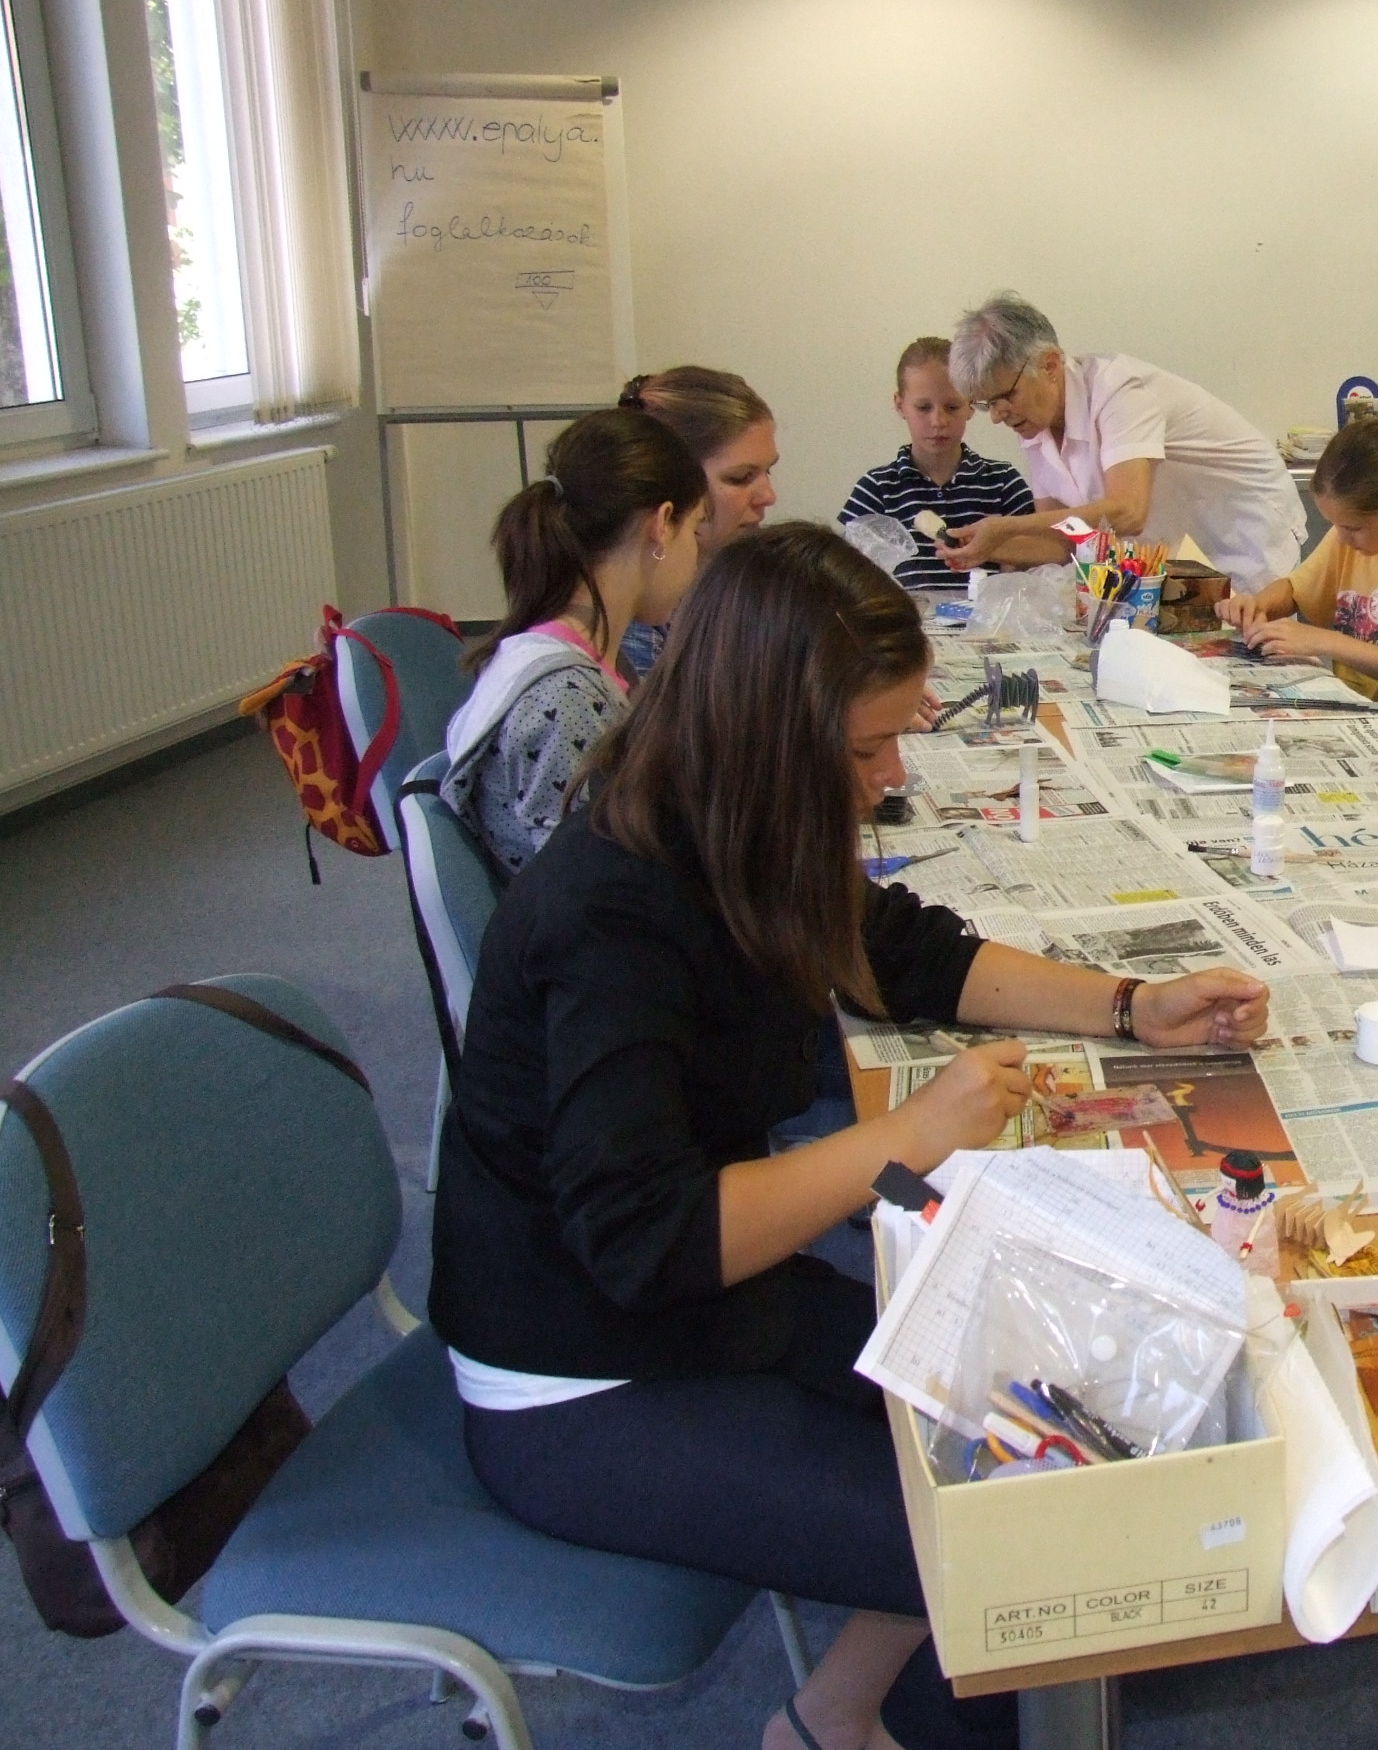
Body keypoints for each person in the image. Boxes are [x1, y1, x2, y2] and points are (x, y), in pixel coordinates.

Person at [430, 524, 1272, 1750]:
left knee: (1043, 1435)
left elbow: (901, 951)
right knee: (1018, 1540)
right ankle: (865, 1719)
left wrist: (1134, 1005)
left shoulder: (729, 823)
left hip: (708, 1299)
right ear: (773, 744)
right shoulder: (612, 913)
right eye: (868, 748)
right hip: (579, 1372)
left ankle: (836, 1716)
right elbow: (649, 1242)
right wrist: (916, 1134)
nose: (891, 775)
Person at [440, 409, 706, 876]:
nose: (697, 553)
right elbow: (594, 885)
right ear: (662, 524)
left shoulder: (560, 655)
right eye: (696, 529)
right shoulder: (566, 697)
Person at [932, 292, 1308, 591]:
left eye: (1005, 397)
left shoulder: (1119, 390)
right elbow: (1065, 542)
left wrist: (1008, 527)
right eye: (986, 404)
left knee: (1249, 643)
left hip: (1245, 533)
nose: (998, 416)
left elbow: (1128, 512)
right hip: (1180, 552)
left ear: (1049, 365)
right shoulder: (1035, 425)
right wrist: (985, 548)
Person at [1214, 418, 1378, 774]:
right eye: (1335, 525)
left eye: (1353, 527)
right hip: (1355, 735)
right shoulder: (1353, 537)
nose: (1341, 537)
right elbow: (1296, 589)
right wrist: (1257, 604)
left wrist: (1325, 641)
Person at [616, 365, 783, 677]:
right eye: (741, 477)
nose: (768, 496)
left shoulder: (741, 586)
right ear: (671, 483)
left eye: (768, 470)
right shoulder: (634, 629)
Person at [839, 337, 1035, 594]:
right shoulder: (876, 489)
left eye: (952, 407)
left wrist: (1004, 555)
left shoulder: (1003, 483)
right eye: (923, 407)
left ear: (971, 405)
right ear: (900, 405)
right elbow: (846, 576)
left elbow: (1036, 564)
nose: (938, 421)